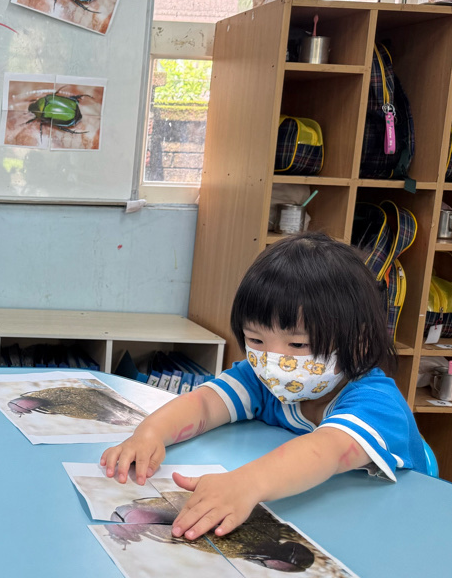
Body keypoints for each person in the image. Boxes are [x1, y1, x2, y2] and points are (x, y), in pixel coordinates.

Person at [101, 232, 426, 541]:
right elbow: (204, 403)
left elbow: (325, 450)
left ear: (358, 340)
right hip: (322, 517)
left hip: (396, 527)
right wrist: (150, 434)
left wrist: (246, 484)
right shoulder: (263, 380)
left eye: (298, 344)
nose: (274, 361)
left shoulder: (377, 403)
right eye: (256, 340)